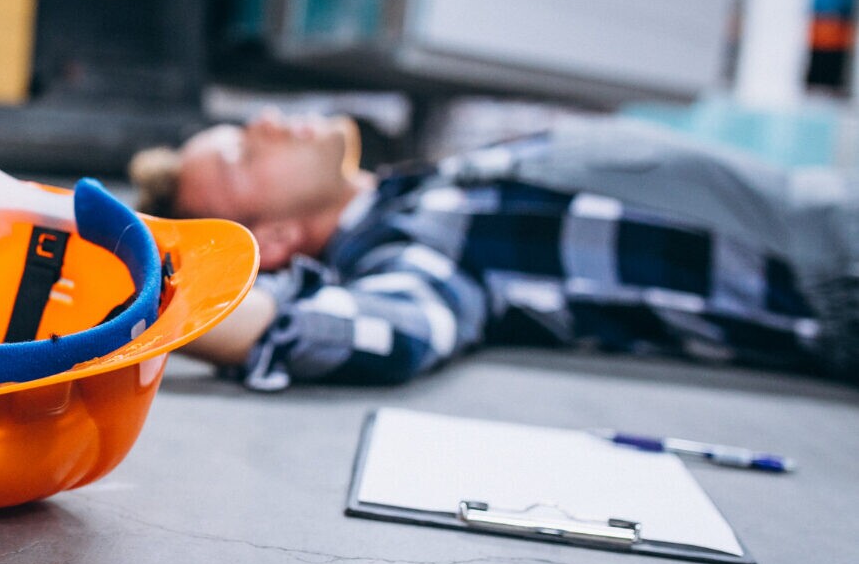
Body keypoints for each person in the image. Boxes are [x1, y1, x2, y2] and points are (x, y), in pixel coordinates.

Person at [129, 109, 859, 390]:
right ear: (275, 239)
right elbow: (385, 330)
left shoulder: (421, 191)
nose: (262, 123)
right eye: (239, 158)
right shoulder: (418, 245)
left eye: (238, 129)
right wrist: (145, 297)